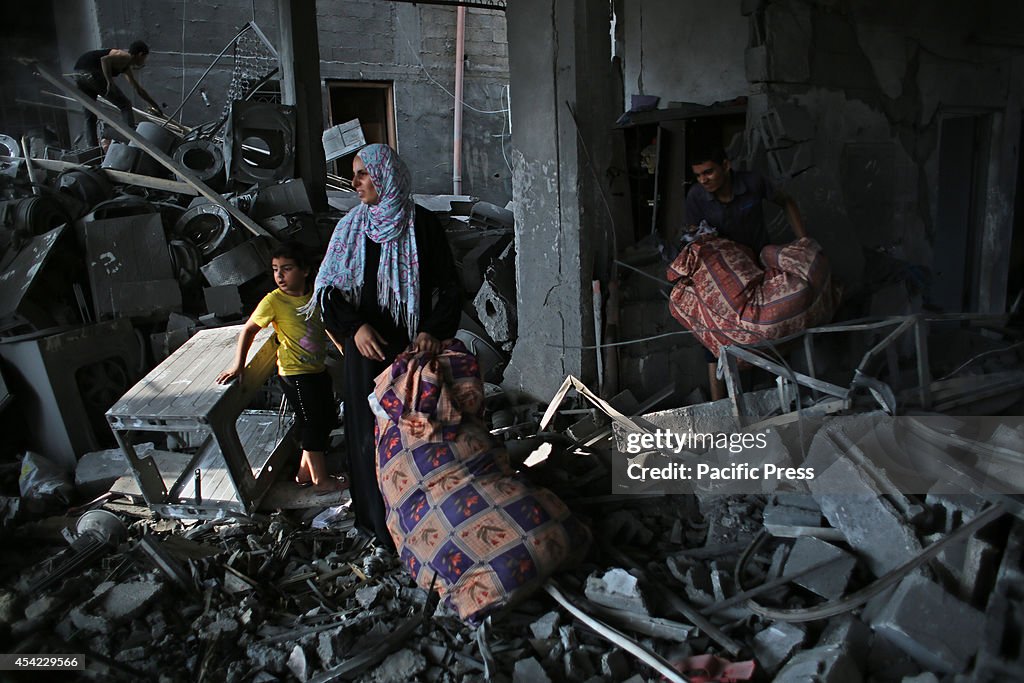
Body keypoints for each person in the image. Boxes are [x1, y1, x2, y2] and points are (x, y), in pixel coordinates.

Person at [307, 143, 461, 549]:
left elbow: (449, 287)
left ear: (386, 176)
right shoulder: (350, 228)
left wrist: (431, 329)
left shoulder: (422, 226)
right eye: (354, 174)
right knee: (366, 433)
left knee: (411, 435)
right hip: (365, 352)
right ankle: (375, 524)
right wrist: (354, 328)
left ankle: (416, 526)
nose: (356, 182)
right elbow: (328, 291)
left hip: (409, 350)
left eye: (363, 173)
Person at [216, 242, 343, 495]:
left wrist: (343, 349)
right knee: (312, 423)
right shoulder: (273, 301)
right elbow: (249, 330)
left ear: (305, 271)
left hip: (317, 370)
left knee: (328, 417)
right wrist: (238, 365)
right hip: (294, 374)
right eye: (275, 270)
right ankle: (320, 482)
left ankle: (305, 472)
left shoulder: (316, 295)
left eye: (287, 269)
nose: (280, 276)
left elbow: (326, 324)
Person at [684, 145, 807, 400]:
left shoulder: (753, 182)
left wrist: (803, 240)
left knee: (774, 325)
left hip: (759, 264)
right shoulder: (696, 197)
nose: (703, 180)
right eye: (698, 175)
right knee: (714, 338)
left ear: (726, 166)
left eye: (708, 172)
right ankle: (721, 407)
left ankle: (785, 396)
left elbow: (787, 201)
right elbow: (693, 237)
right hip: (724, 274)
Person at [73, 41, 163, 148]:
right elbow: (104, 60)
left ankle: (92, 148)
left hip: (78, 74)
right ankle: (130, 137)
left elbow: (138, 89)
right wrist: (109, 81)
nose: (144, 61)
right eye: (144, 58)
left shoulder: (125, 66)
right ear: (140, 54)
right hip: (91, 73)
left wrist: (155, 105)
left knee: (90, 115)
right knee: (125, 105)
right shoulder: (124, 56)